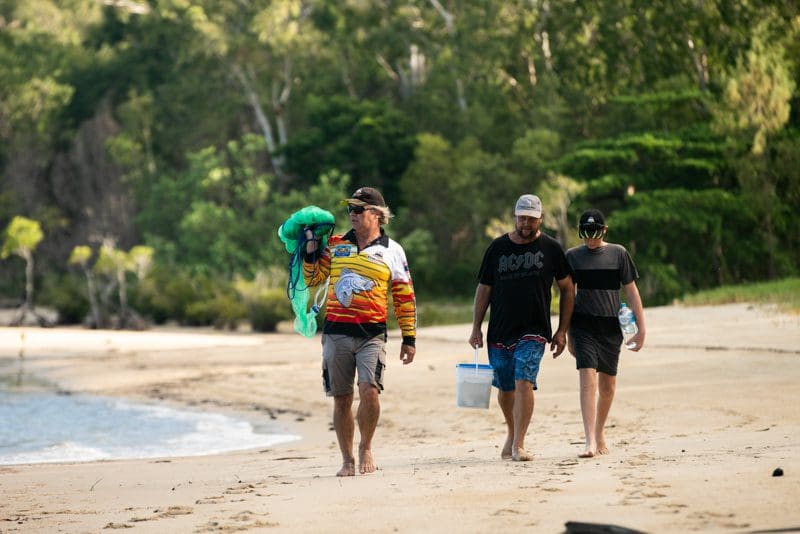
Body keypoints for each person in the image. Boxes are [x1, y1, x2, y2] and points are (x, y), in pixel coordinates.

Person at [303, 186, 417, 476]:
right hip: (336, 333)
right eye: (349, 210)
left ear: (377, 214)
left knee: (369, 391)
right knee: (341, 398)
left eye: (358, 209)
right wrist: (311, 251)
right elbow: (314, 278)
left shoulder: (393, 250)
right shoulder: (337, 243)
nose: (351, 214)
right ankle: (346, 460)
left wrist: (409, 337)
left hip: (372, 334)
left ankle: (366, 446)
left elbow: (404, 296)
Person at [469, 194, 574, 462]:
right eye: (522, 218)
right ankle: (512, 433)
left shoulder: (551, 248)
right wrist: (475, 327)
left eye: (531, 219)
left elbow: (567, 288)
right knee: (505, 386)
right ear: (515, 217)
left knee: (524, 378)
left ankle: (519, 443)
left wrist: (562, 330)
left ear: (540, 218)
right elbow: (484, 289)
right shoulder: (497, 248)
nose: (526, 224)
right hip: (500, 330)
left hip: (535, 329)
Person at [565, 208, 646, 458]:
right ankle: (589, 440)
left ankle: (599, 431)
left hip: (611, 326)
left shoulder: (619, 254)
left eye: (595, 232)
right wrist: (567, 334)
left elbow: (632, 292)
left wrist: (641, 329)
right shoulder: (572, 256)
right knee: (587, 379)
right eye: (586, 233)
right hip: (583, 325)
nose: (590, 238)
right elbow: (568, 296)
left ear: (604, 230)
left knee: (607, 385)